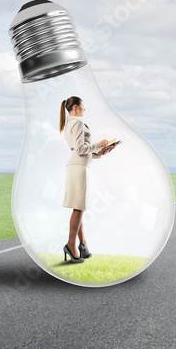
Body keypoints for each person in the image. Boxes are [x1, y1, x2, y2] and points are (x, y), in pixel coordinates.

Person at [59, 96, 116, 263]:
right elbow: (79, 149)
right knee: (79, 207)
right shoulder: (76, 123)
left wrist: (99, 153)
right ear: (75, 107)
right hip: (78, 167)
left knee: (79, 206)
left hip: (77, 165)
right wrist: (100, 144)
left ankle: (82, 244)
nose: (85, 109)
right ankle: (71, 245)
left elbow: (82, 150)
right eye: (83, 106)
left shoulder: (70, 123)